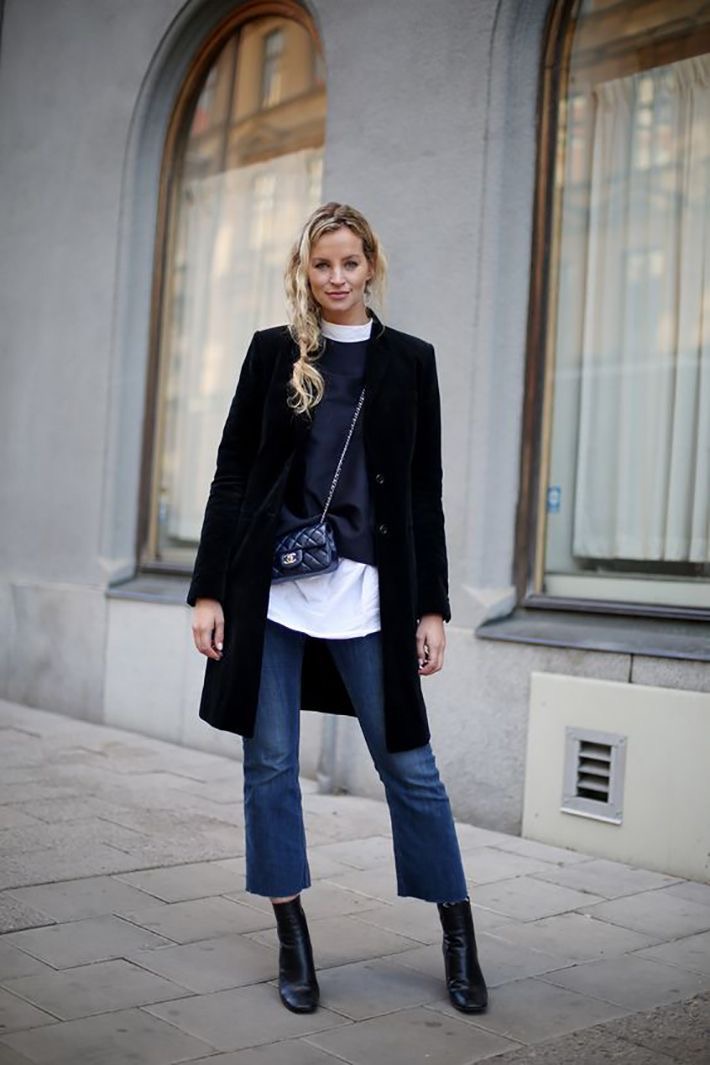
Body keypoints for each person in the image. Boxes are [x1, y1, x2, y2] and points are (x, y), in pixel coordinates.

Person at [188, 202, 487, 1015]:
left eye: (350, 262)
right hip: (271, 592)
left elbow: (422, 493)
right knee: (270, 764)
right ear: (305, 270)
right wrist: (209, 588)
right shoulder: (274, 353)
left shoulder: (410, 362)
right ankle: (292, 935)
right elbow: (233, 473)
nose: (337, 277)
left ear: (371, 264)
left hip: (369, 596)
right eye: (322, 264)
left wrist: (431, 606)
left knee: (409, 764)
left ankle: (459, 934)